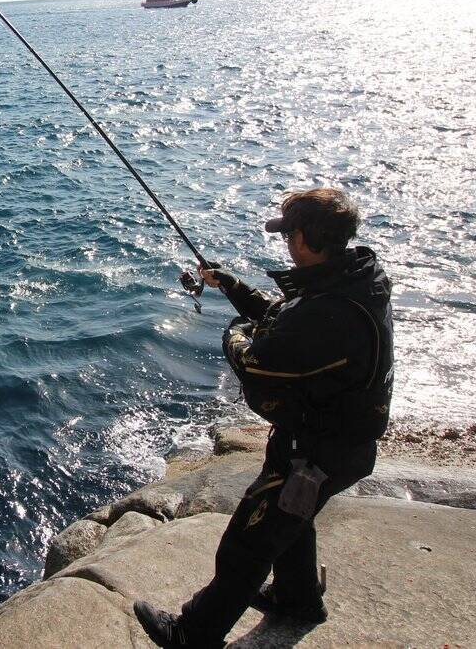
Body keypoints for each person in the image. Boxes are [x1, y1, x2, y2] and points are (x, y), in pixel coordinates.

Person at [133, 187, 394, 648]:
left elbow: (256, 363)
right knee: (292, 520)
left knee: (247, 543)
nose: (286, 243)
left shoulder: (329, 312)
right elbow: (287, 318)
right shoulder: (354, 280)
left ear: (305, 239)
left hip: (317, 451)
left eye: (289, 234)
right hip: (337, 441)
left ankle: (193, 634)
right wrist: (233, 287)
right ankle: (298, 599)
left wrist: (235, 332)